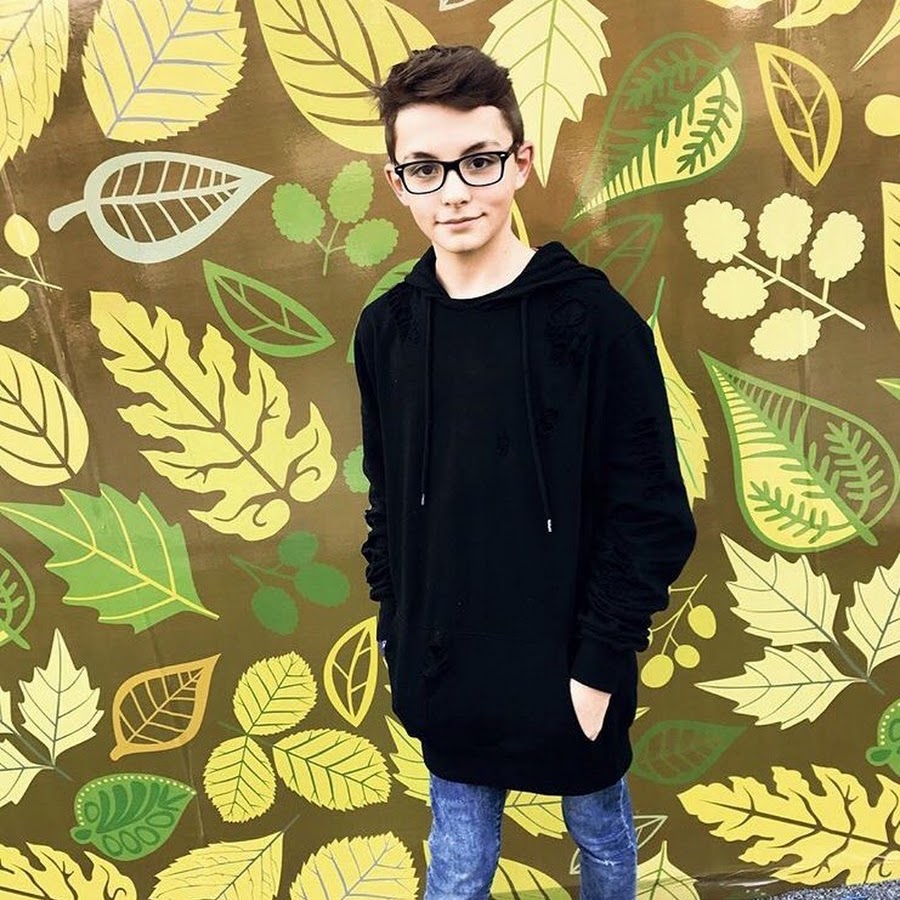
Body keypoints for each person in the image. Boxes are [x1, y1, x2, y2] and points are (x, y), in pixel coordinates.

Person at [353, 44, 696, 900]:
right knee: (458, 865)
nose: (454, 191)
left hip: (569, 664)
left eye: (478, 160)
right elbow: (389, 497)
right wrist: (397, 627)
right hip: (444, 669)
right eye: (424, 169)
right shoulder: (387, 333)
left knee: (603, 840)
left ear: (521, 161)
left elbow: (651, 511)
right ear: (397, 183)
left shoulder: (594, 323)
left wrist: (599, 665)